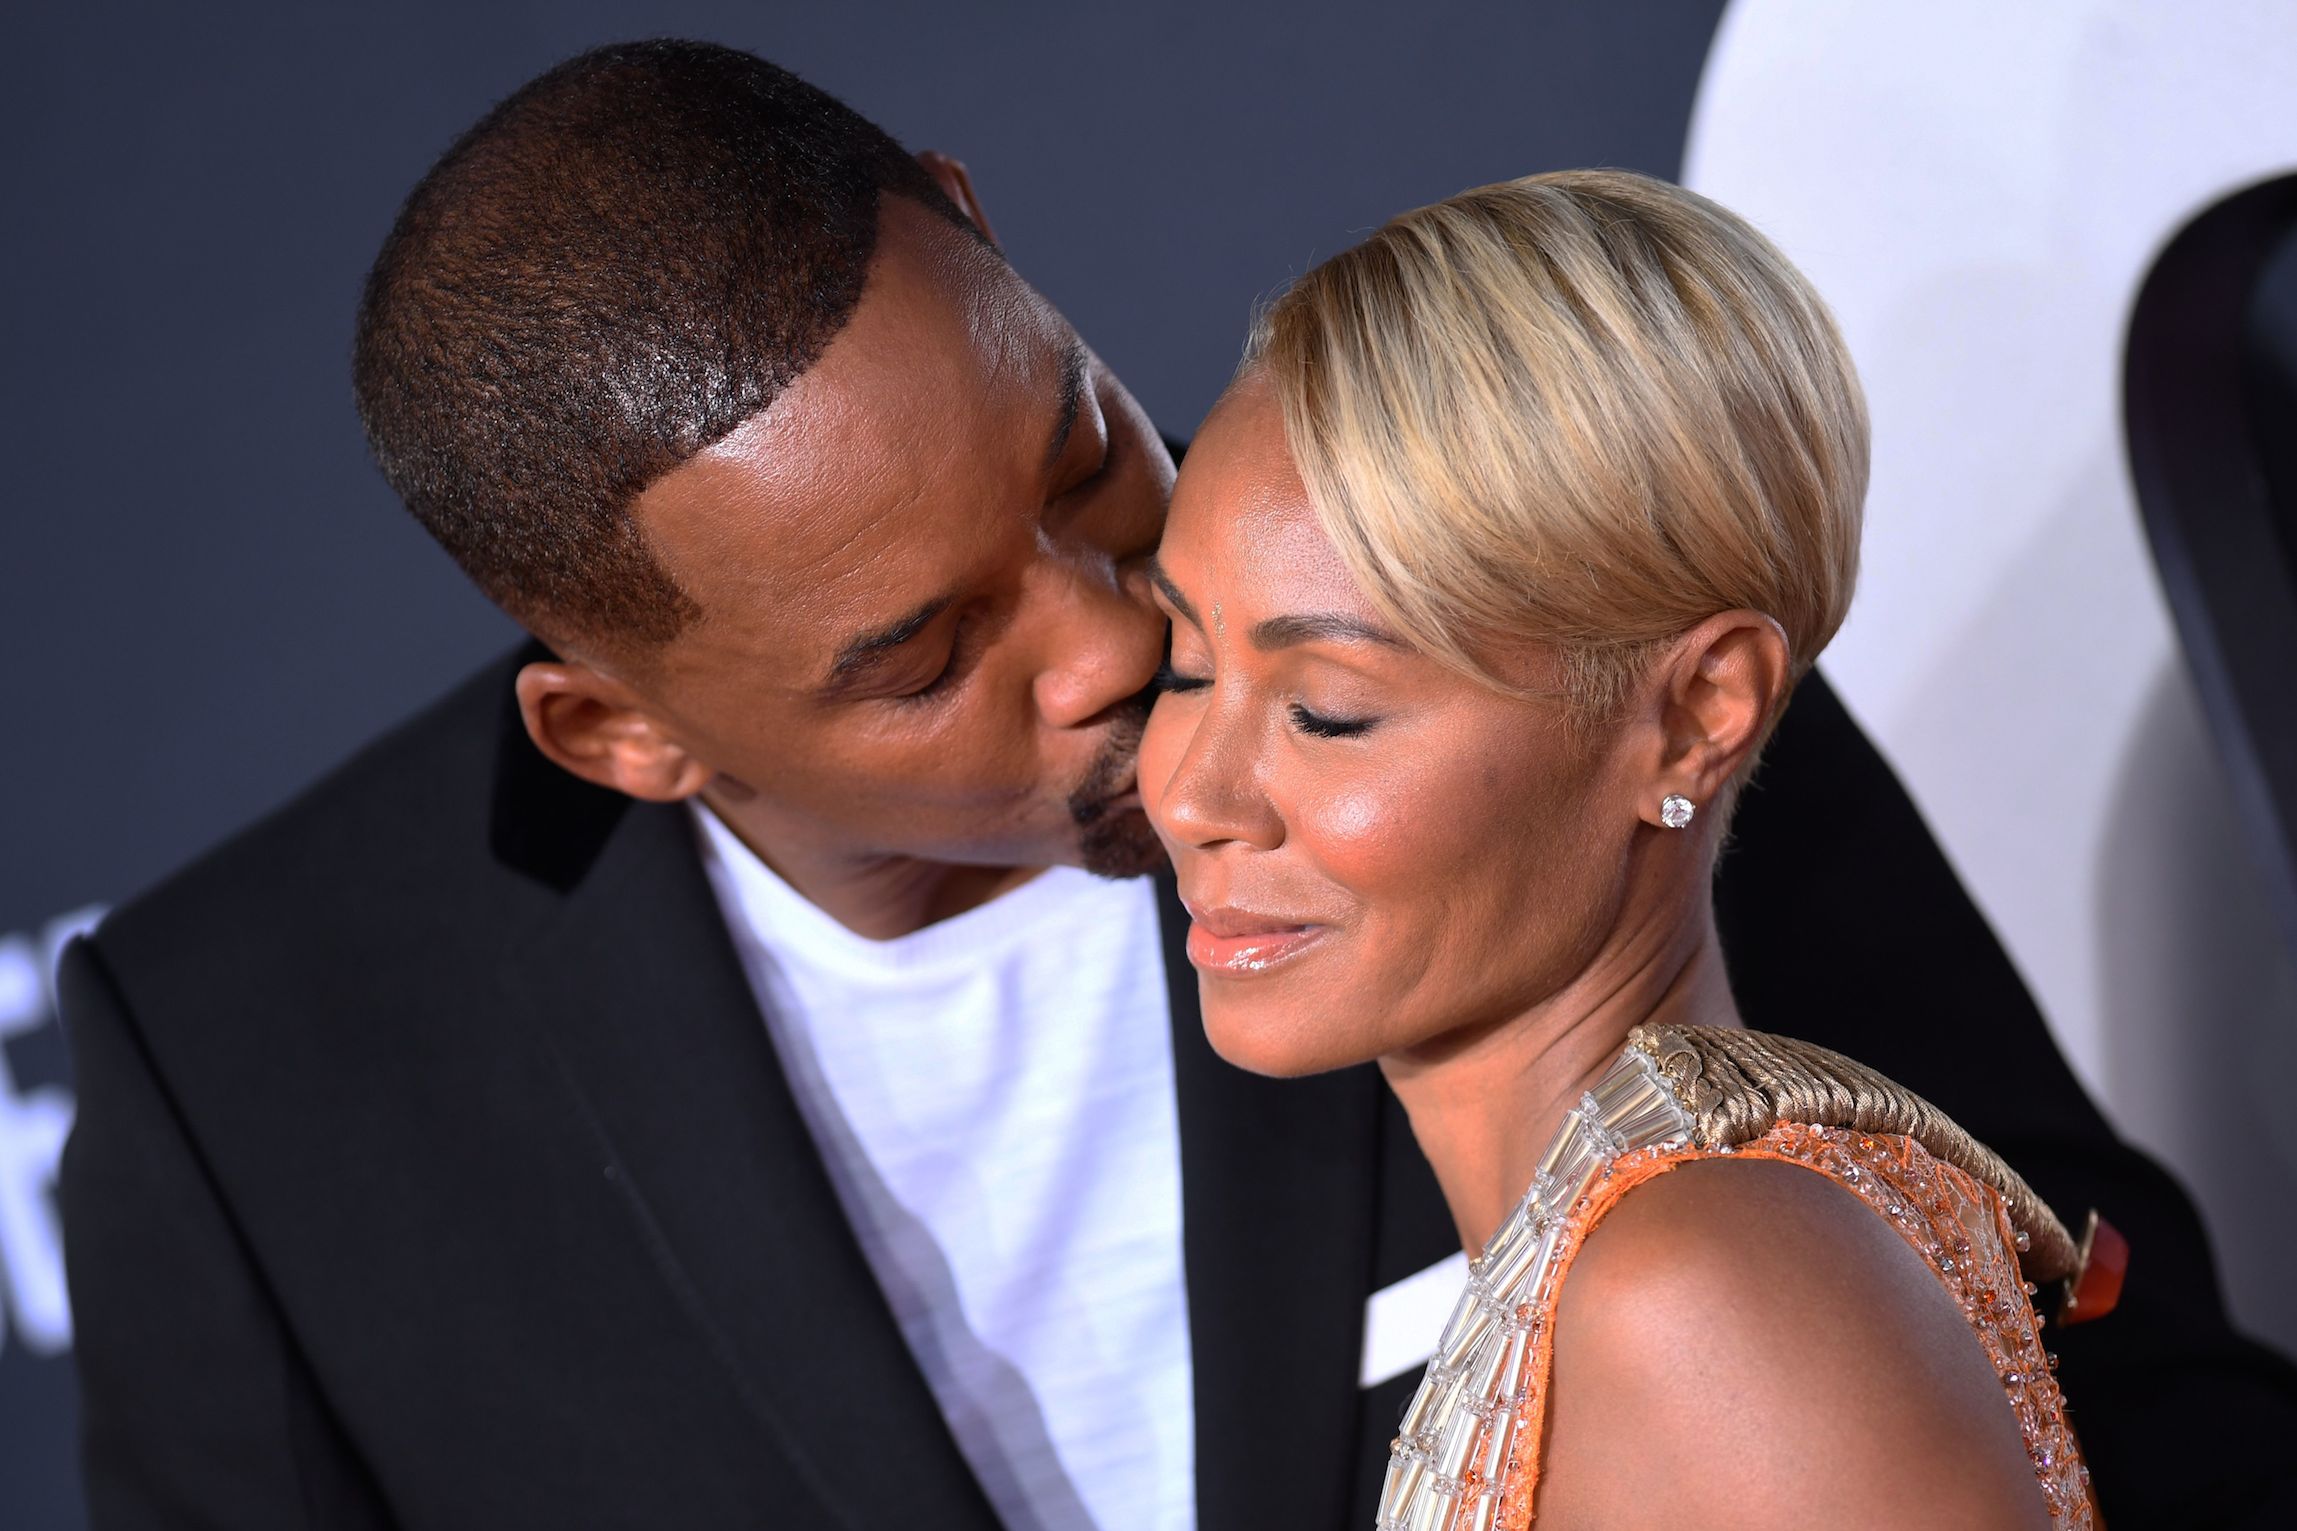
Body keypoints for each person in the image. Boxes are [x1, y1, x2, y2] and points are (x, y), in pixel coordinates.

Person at [53, 40, 2291, 1531]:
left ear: (981, 228)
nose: (1121, 643)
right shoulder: (258, 1066)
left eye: (1083, 451)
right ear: (623, 733)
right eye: (931, 657)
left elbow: (2106, 1372)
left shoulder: (1520, 634)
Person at [1136, 170, 2087, 1527]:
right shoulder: (1640, 1255)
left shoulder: (1703, 1294)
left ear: (1696, 715)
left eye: (1328, 712)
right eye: (1180, 665)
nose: (1189, 791)